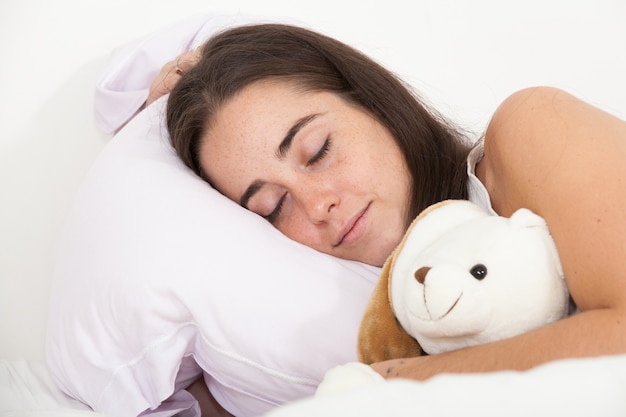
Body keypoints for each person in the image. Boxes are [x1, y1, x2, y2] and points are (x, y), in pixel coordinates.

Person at [151, 23, 626, 415]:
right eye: (273, 207)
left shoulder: (529, 129)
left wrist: (387, 385)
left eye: (318, 151)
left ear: (373, 103)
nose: (318, 206)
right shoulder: (377, 324)